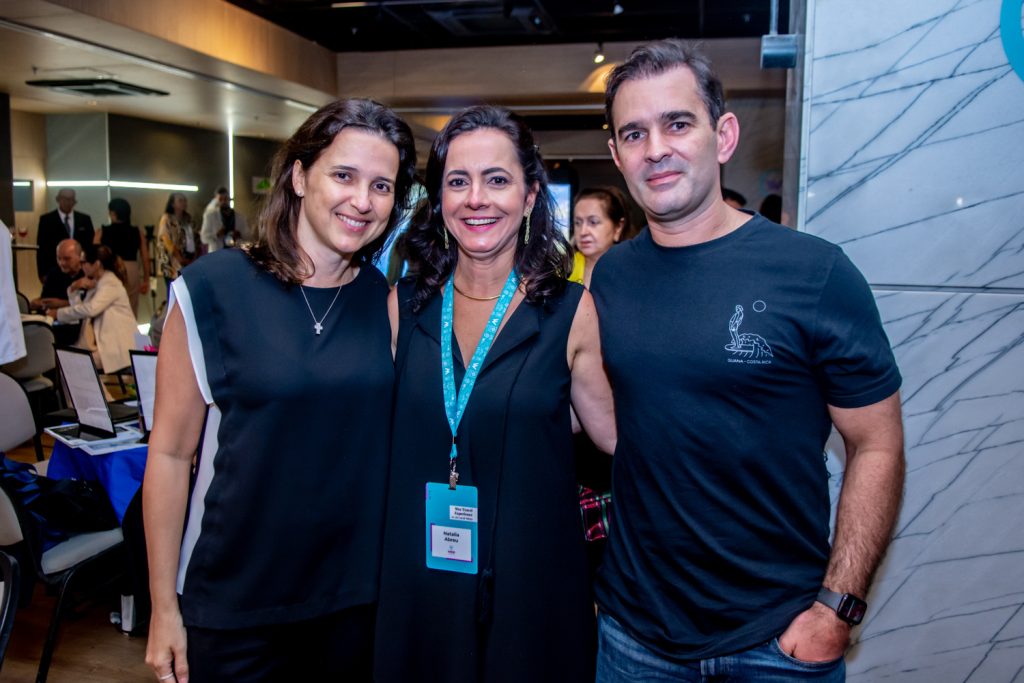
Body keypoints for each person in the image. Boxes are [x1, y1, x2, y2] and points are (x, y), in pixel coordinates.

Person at [591, 39, 905, 681]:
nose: (656, 149)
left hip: (778, 643)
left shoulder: (816, 272)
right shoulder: (608, 279)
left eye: (677, 123)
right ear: (617, 154)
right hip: (634, 637)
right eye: (634, 133)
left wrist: (837, 609)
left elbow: (877, 445)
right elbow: (604, 419)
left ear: (723, 134)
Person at [143, 98, 417, 683]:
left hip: (352, 601)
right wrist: (164, 607)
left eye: (382, 186)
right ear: (298, 175)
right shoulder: (211, 288)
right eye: (343, 175)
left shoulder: (385, 299)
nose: (362, 201)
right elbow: (169, 455)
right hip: (235, 604)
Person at [374, 105, 616, 683]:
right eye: (458, 181)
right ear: (439, 199)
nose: (476, 198)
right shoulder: (401, 307)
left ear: (531, 196)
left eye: (497, 179)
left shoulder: (570, 310)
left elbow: (614, 435)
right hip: (421, 581)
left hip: (533, 592)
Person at [47, 244, 136, 375]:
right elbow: (80, 311)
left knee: (69, 366)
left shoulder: (110, 283)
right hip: (102, 344)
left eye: (84, 262)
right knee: (65, 362)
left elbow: (90, 310)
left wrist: (58, 314)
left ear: (97, 264)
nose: (81, 266)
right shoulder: (97, 282)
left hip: (116, 346)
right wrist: (73, 289)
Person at [95, 198, 150, 315]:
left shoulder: (102, 231)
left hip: (111, 269)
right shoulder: (137, 232)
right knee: (131, 307)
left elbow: (94, 253)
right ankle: (130, 331)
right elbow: (145, 258)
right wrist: (146, 280)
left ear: (113, 213)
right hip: (132, 270)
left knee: (109, 306)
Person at [570, 186, 631, 288]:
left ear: (618, 227)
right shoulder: (564, 269)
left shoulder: (632, 272)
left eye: (593, 222)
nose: (583, 232)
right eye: (578, 223)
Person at [36, 188, 94, 282]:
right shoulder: (46, 220)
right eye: (65, 199)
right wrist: (42, 273)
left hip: (80, 271)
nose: (68, 202)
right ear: (58, 199)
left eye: (71, 199)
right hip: (55, 270)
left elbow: (89, 245)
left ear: (75, 202)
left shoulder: (84, 219)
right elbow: (42, 249)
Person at [156, 192, 198, 294]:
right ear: (172, 204)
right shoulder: (167, 218)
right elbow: (165, 238)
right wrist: (178, 256)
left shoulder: (188, 219)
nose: (184, 203)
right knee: (173, 292)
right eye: (180, 200)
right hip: (171, 262)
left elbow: (195, 237)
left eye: (185, 200)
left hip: (188, 259)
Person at [30, 239, 85, 311]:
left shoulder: (87, 274)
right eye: (59, 258)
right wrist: (36, 303)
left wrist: (61, 304)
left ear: (80, 256)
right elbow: (45, 300)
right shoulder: (54, 273)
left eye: (67, 259)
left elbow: (88, 305)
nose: (61, 263)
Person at [200, 186, 249, 253]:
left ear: (229, 199)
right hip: (217, 253)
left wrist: (240, 234)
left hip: (235, 252)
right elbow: (204, 238)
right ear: (217, 200)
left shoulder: (240, 217)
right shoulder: (209, 216)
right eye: (220, 199)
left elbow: (248, 236)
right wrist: (216, 234)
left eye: (225, 199)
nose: (223, 201)